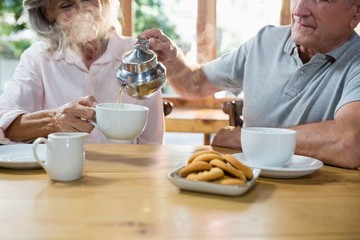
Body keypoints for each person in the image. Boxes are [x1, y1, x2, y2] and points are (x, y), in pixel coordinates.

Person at [139, 0, 360, 169]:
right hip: (248, 186)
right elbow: (195, 85)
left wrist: (247, 138)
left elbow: (350, 142)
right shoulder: (266, 41)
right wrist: (171, 56)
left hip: (323, 196)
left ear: (356, 13)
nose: (299, 10)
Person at [0, 0, 164, 144]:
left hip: (127, 174)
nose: (84, 10)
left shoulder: (137, 58)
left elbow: (153, 143)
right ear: (48, 12)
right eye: (67, 5)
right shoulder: (37, 58)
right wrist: (54, 120)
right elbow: (4, 124)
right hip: (61, 173)